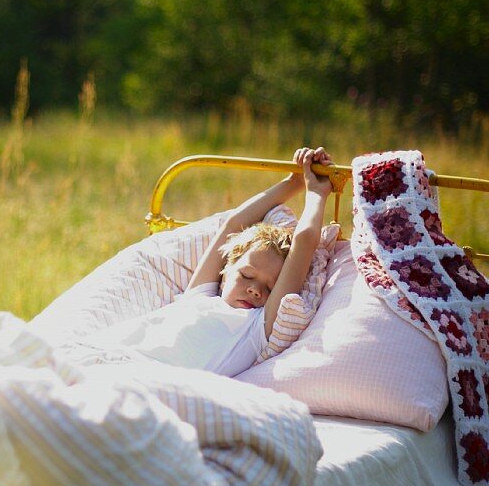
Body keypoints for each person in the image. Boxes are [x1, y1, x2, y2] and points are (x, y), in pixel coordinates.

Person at [77, 146, 334, 376]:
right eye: (246, 275)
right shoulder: (199, 296)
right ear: (225, 270)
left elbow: (305, 242)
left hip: (150, 378)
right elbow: (233, 224)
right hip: (109, 353)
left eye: (269, 288)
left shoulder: (256, 328)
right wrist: (293, 182)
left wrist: (317, 192)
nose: (256, 289)